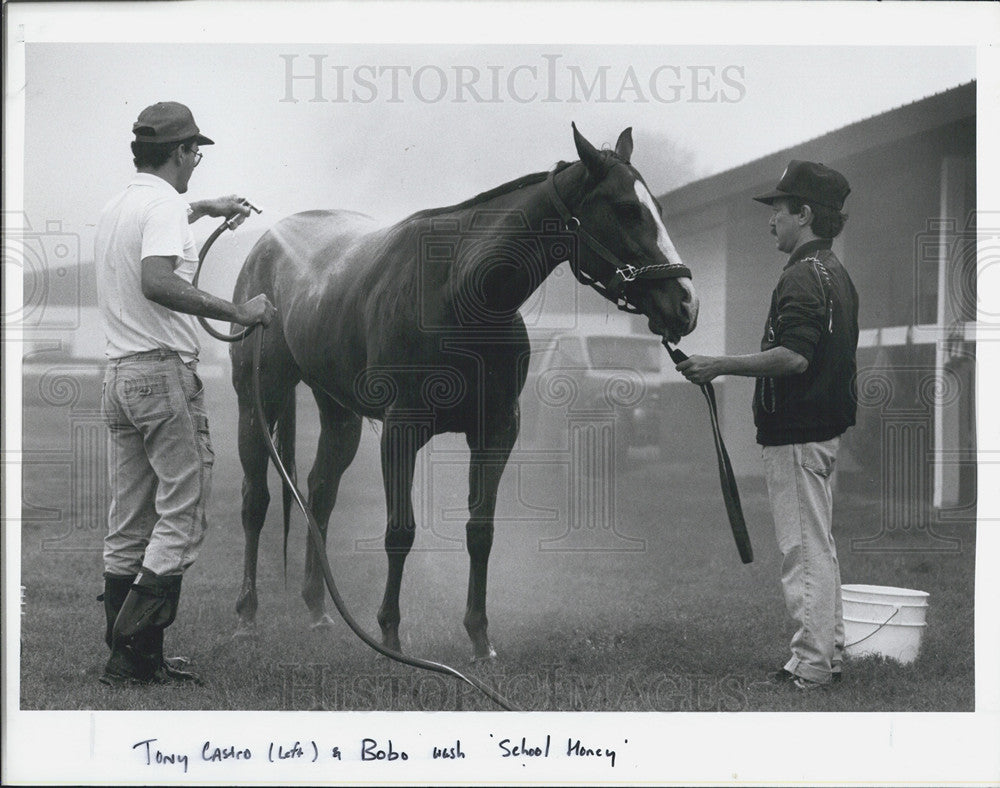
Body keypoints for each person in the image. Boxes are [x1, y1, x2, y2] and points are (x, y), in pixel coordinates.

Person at [94, 101, 276, 685]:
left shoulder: (122, 204)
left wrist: (204, 206)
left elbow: (161, 227)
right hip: (162, 377)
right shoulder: (165, 206)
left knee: (130, 519)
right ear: (178, 152)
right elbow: (158, 280)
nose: (196, 161)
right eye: (195, 152)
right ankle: (132, 649)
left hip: (119, 377)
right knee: (183, 516)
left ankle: (130, 656)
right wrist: (238, 311)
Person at [676, 160, 859, 690]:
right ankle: (829, 657)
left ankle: (811, 667)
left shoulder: (803, 275)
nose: (770, 220)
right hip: (820, 431)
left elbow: (797, 357)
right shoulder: (834, 271)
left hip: (799, 434)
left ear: (804, 214)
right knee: (817, 546)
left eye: (778, 209)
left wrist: (717, 364)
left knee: (802, 550)